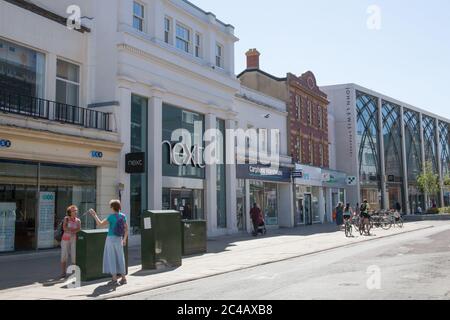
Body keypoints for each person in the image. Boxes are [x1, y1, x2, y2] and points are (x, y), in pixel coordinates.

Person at [89, 200, 128, 286]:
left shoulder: (111, 217)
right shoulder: (123, 216)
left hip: (110, 239)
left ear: (113, 207)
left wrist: (94, 215)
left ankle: (114, 279)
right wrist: (124, 239)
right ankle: (124, 278)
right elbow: (126, 229)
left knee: (112, 258)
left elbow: (100, 224)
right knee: (120, 258)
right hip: (119, 239)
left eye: (110, 206)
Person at [60, 205, 81, 279]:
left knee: (74, 256)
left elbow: (79, 229)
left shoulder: (78, 220)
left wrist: (71, 230)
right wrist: (72, 230)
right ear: (69, 212)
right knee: (64, 255)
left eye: (76, 210)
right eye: (73, 211)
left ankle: (74, 272)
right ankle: (63, 272)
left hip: (74, 239)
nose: (75, 212)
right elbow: (64, 228)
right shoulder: (66, 219)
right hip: (65, 239)